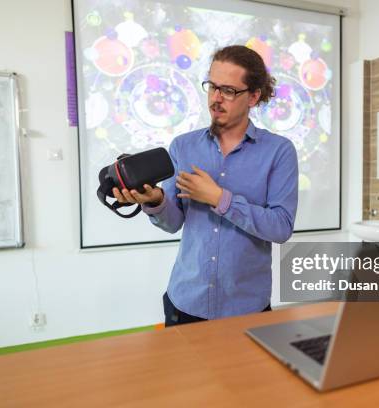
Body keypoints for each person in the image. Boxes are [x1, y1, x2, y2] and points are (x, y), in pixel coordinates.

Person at [113, 45, 298, 326]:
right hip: (186, 301)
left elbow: (281, 227)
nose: (216, 98)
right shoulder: (183, 147)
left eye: (229, 91)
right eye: (212, 87)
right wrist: (155, 200)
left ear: (254, 96)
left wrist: (219, 198)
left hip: (246, 307)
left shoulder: (279, 151)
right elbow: (173, 222)